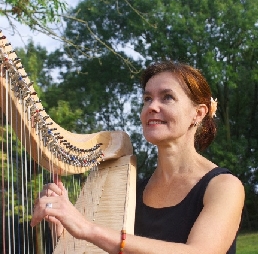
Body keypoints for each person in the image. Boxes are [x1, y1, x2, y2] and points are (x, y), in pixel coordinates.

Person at [31, 61, 245, 254]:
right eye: (147, 98)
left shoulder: (223, 187)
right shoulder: (130, 191)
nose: (152, 106)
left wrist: (86, 228)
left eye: (167, 97)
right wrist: (64, 230)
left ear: (198, 113)